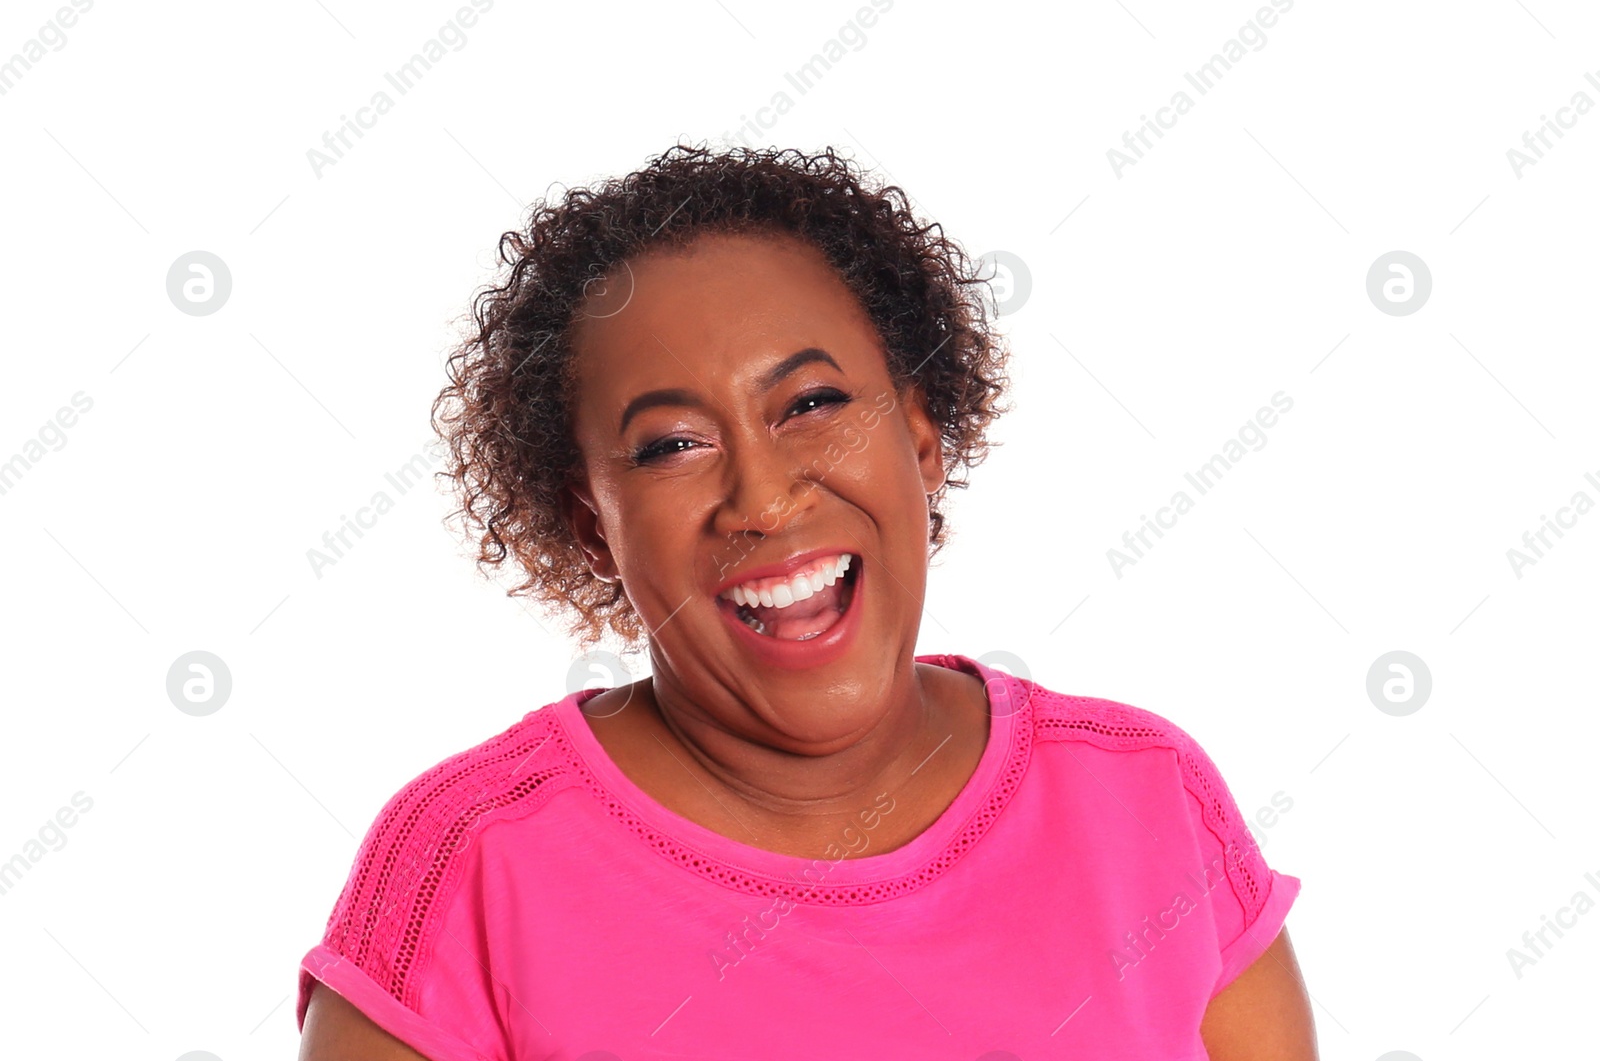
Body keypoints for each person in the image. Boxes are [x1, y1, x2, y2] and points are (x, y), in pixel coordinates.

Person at [295, 144, 1317, 1060]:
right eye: (671, 446)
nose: (763, 496)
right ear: (592, 526)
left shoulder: (1146, 804)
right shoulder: (471, 865)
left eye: (812, 404)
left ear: (922, 438)